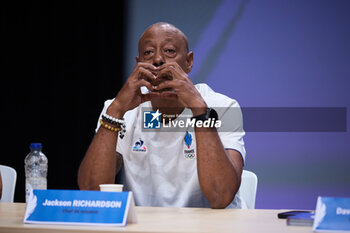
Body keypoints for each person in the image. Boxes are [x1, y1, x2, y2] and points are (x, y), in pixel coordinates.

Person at [78, 22, 246, 209]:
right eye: (148, 52)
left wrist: (199, 109)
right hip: (145, 226)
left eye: (169, 51)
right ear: (138, 64)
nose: (158, 59)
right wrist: (116, 110)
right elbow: (92, 192)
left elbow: (220, 196)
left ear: (189, 62)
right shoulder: (118, 111)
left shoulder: (222, 107)